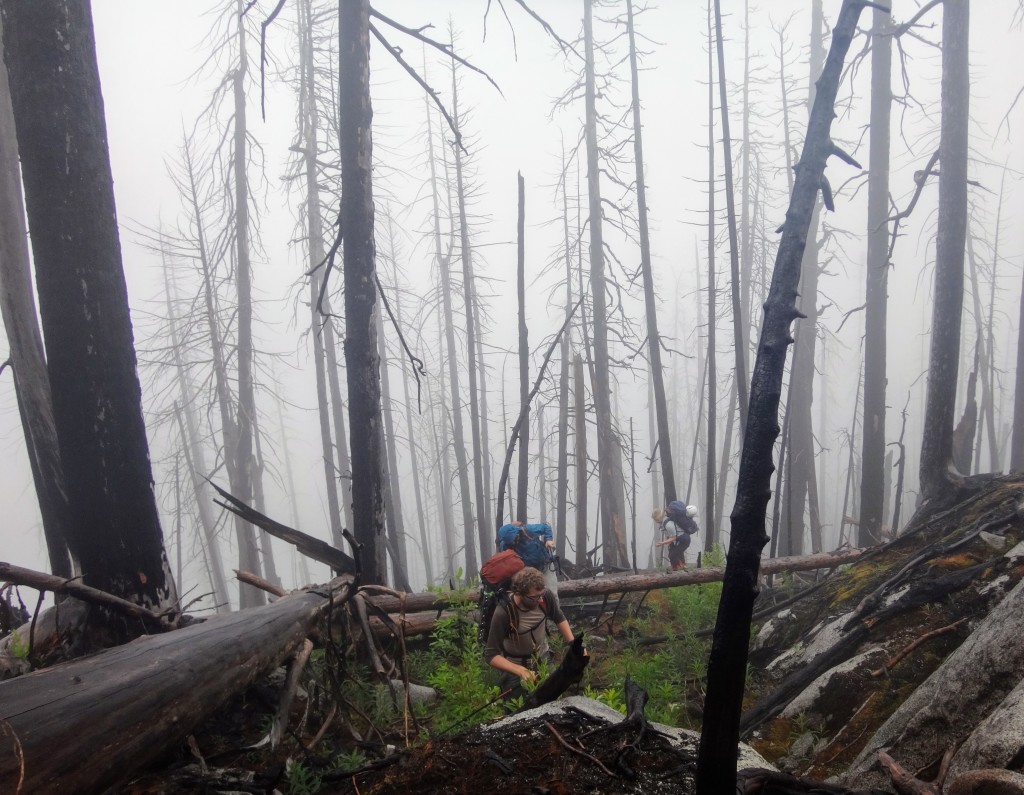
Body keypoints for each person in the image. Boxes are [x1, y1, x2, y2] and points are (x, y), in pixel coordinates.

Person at [484, 567, 578, 702]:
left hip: (543, 660)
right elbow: (491, 655)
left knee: (553, 702)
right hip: (514, 670)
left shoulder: (545, 596)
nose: (540, 600)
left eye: (541, 595)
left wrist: (574, 644)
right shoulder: (504, 612)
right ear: (519, 593)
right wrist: (521, 671)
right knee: (517, 713)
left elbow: (559, 617)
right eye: (534, 597)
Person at [497, 520, 558, 592]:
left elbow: (545, 527)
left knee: (552, 593)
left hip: (545, 566)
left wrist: (548, 539)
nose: (512, 542)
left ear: (516, 533)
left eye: (513, 539)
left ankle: (554, 603)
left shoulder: (527, 530)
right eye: (510, 541)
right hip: (528, 574)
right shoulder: (504, 546)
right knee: (532, 595)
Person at [654, 500, 700, 570]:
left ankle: (682, 568)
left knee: (673, 555)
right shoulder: (666, 521)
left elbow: (673, 537)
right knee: (672, 554)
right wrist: (669, 542)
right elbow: (671, 536)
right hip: (680, 538)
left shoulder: (668, 524)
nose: (656, 522)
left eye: (655, 520)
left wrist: (662, 543)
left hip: (684, 540)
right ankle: (677, 568)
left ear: (658, 519)